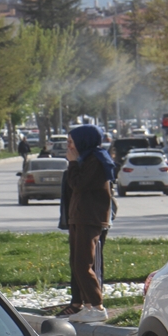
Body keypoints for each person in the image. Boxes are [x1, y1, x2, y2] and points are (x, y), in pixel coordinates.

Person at [64, 124, 117, 323]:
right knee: (76, 263)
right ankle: (87, 305)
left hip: (90, 217)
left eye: (71, 142)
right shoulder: (85, 159)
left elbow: (78, 185)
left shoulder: (96, 160)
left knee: (83, 264)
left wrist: (72, 164)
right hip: (79, 217)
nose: (69, 146)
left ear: (83, 141)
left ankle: (97, 306)